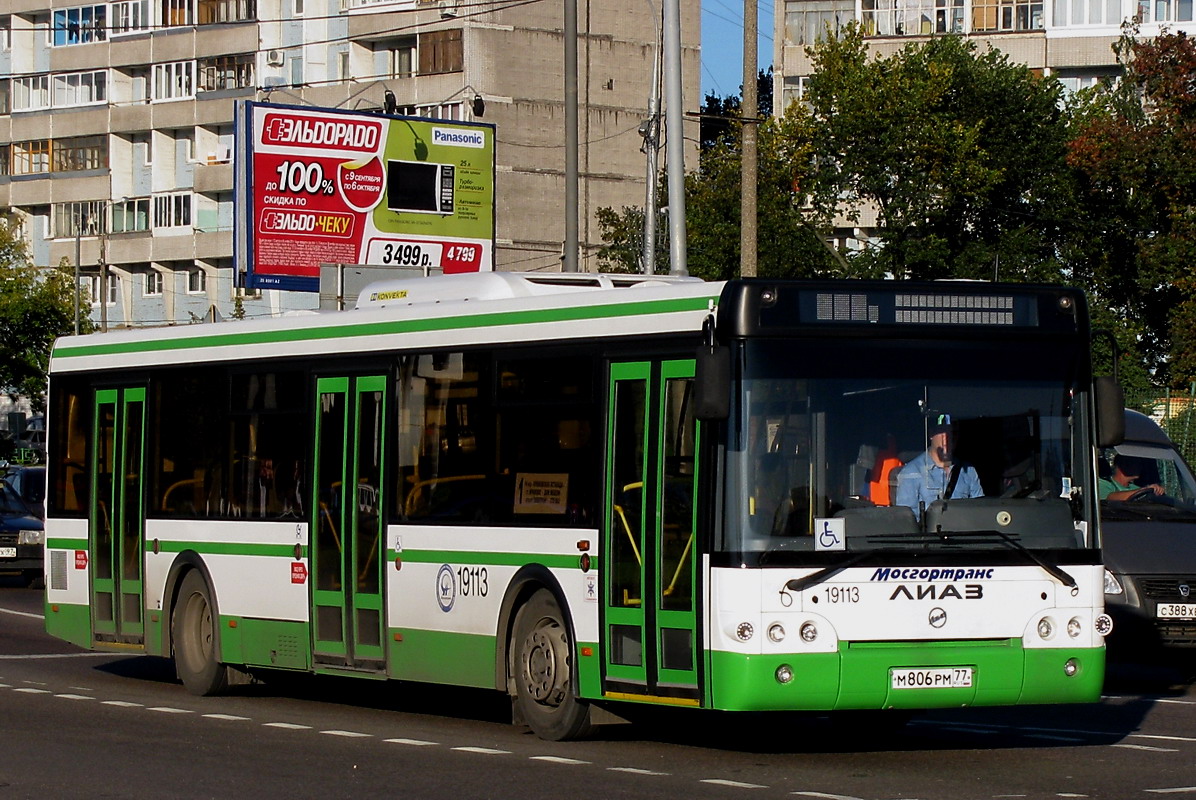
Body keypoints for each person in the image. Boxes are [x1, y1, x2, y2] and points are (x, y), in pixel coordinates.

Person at [896, 414, 983, 519]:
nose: (947, 438)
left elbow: (980, 511)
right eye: (942, 432)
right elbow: (906, 520)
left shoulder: (969, 471)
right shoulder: (911, 473)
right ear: (931, 434)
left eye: (952, 433)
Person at [1098, 454, 1164, 501]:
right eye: (1134, 462)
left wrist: (1157, 492)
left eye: (1139, 463)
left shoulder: (1137, 488)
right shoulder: (1102, 484)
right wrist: (1144, 490)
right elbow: (1110, 498)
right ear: (1120, 464)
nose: (1139, 466)